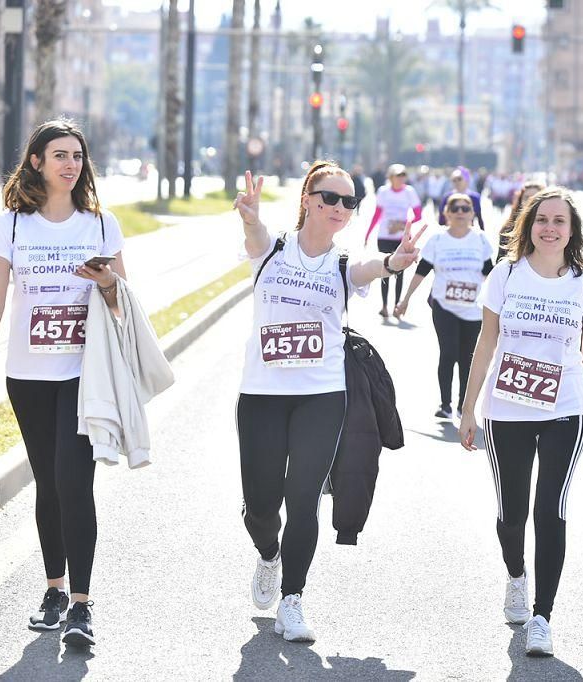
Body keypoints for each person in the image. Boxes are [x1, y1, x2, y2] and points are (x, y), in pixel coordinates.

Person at [233, 162, 425, 643]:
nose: (340, 208)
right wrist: (250, 217)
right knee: (260, 502)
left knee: (303, 500)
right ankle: (269, 554)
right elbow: (254, 236)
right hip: (262, 394)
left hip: (321, 396)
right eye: (330, 197)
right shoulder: (272, 251)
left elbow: (369, 269)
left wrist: (395, 263)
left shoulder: (341, 264)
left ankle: (292, 599)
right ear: (308, 199)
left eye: (349, 201)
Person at [0, 119, 127, 647]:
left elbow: (123, 300)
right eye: (59, 154)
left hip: (83, 372)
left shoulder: (101, 225)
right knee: (48, 481)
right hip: (29, 375)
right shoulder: (11, 226)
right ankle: (53, 590)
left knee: (73, 479)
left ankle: (82, 604)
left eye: (77, 155)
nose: (70, 164)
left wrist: (107, 281)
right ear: (36, 161)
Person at [458, 187, 583, 657]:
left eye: (559, 221)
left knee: (551, 507)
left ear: (571, 231)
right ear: (529, 226)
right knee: (512, 512)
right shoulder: (505, 275)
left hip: (566, 407)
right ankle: (516, 575)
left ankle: (543, 615)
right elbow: (486, 342)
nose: (549, 228)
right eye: (542, 219)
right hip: (507, 409)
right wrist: (468, 407)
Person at [394, 192, 493, 419]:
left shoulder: (480, 240)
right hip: (444, 306)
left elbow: (490, 274)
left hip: (473, 310)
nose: (460, 212)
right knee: (448, 352)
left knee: (467, 356)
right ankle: (445, 404)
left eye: (465, 208)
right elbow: (422, 270)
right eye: (455, 208)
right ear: (446, 213)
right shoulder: (437, 240)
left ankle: (463, 406)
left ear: (472, 214)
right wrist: (405, 299)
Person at [364, 163, 423, 319]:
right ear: (391, 177)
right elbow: (377, 214)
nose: (401, 178)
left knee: (399, 273)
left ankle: (397, 305)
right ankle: (384, 306)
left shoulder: (409, 192)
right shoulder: (383, 191)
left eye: (403, 175)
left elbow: (418, 214)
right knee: (384, 270)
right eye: (398, 175)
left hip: (401, 238)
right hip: (384, 236)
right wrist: (368, 234)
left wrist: (402, 225)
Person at [498, 181, 545, 261]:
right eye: (527, 197)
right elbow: (500, 260)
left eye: (535, 197)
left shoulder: (550, 229)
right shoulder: (508, 229)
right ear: (520, 201)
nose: (531, 201)